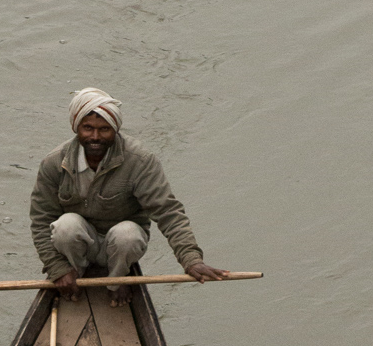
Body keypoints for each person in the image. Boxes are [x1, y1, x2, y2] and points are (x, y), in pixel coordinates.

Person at [30, 86, 230, 306]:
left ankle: (117, 280)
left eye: (104, 129)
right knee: (65, 226)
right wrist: (57, 269)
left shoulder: (139, 161)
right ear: (76, 127)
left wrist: (191, 260)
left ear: (115, 130)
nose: (95, 137)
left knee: (128, 234)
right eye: (88, 128)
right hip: (79, 243)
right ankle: (75, 273)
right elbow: (41, 220)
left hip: (120, 245)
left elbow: (168, 213)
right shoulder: (54, 163)